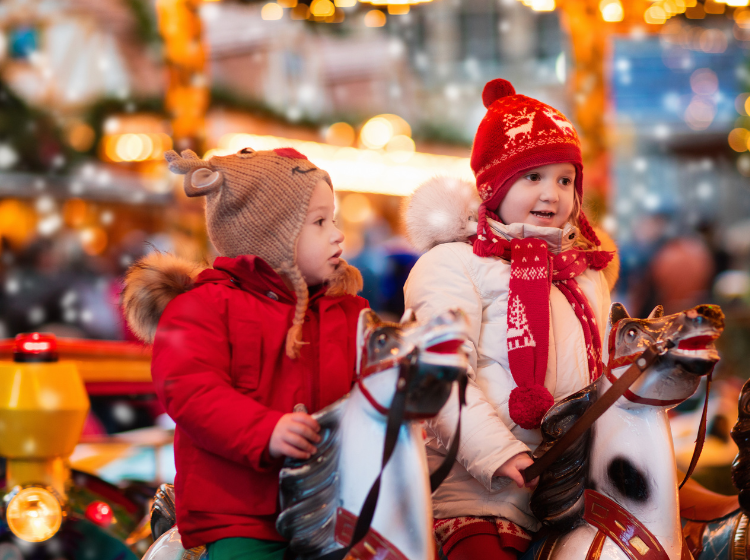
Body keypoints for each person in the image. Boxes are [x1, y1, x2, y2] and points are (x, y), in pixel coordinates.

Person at [403, 79, 619, 559]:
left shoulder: (583, 277)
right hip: (478, 493)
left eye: (565, 180)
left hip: (570, 486)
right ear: (493, 187)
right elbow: (437, 377)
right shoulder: (452, 264)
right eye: (533, 177)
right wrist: (499, 454)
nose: (553, 194)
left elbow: (601, 375)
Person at [121, 147, 366, 560]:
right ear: (274, 235)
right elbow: (191, 390)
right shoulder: (205, 306)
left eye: (334, 220)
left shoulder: (348, 309)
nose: (337, 233)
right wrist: (265, 431)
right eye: (319, 222)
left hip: (333, 503)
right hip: (242, 513)